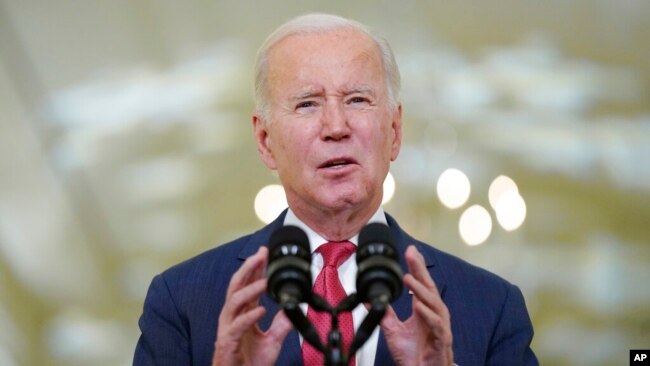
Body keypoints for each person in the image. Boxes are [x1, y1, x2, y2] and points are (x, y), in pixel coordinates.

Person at [133, 13, 538, 366]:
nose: (336, 126)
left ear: (394, 132)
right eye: (308, 104)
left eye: (357, 100)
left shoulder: (493, 307)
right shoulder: (182, 302)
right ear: (265, 140)